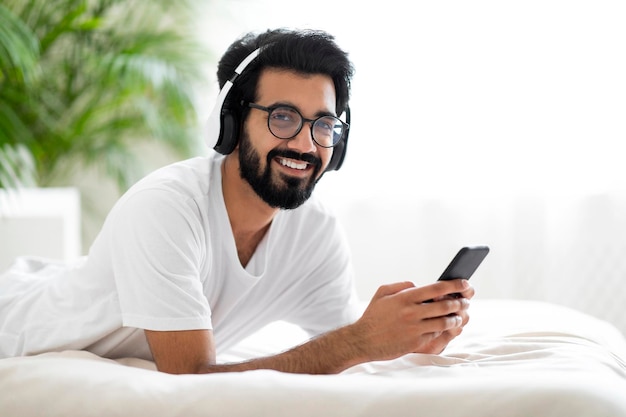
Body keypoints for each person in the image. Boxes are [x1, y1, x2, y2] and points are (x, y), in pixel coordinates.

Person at [0, 28, 474, 374]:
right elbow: (190, 380)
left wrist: (407, 336)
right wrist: (358, 342)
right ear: (230, 123)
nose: (307, 145)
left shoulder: (316, 229)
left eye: (324, 125)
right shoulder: (165, 208)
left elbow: (347, 347)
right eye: (283, 117)